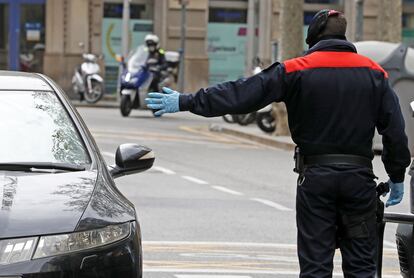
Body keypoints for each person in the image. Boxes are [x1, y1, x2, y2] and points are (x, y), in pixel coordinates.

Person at [145, 10, 411, 277]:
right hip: (359, 182)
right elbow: (395, 130)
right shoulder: (374, 73)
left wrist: (186, 101)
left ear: (313, 38)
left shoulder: (296, 69)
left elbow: (241, 94)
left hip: (316, 181)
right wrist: (397, 174)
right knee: (362, 267)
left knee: (316, 266)